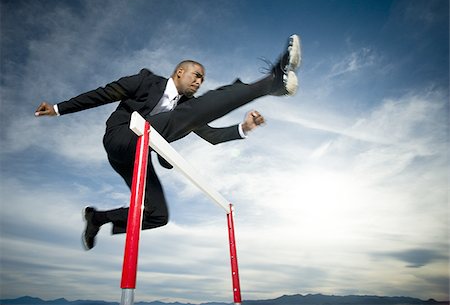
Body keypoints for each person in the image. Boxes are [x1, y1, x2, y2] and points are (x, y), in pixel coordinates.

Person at [35, 34, 302, 250]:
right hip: (121, 139)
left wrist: (243, 128)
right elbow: (103, 94)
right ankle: (271, 81)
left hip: (140, 154)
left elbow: (210, 135)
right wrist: (59, 109)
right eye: (196, 75)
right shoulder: (145, 81)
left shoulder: (188, 105)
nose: (199, 82)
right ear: (179, 72)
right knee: (183, 117)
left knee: (158, 215)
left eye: (202, 79)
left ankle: (99, 218)